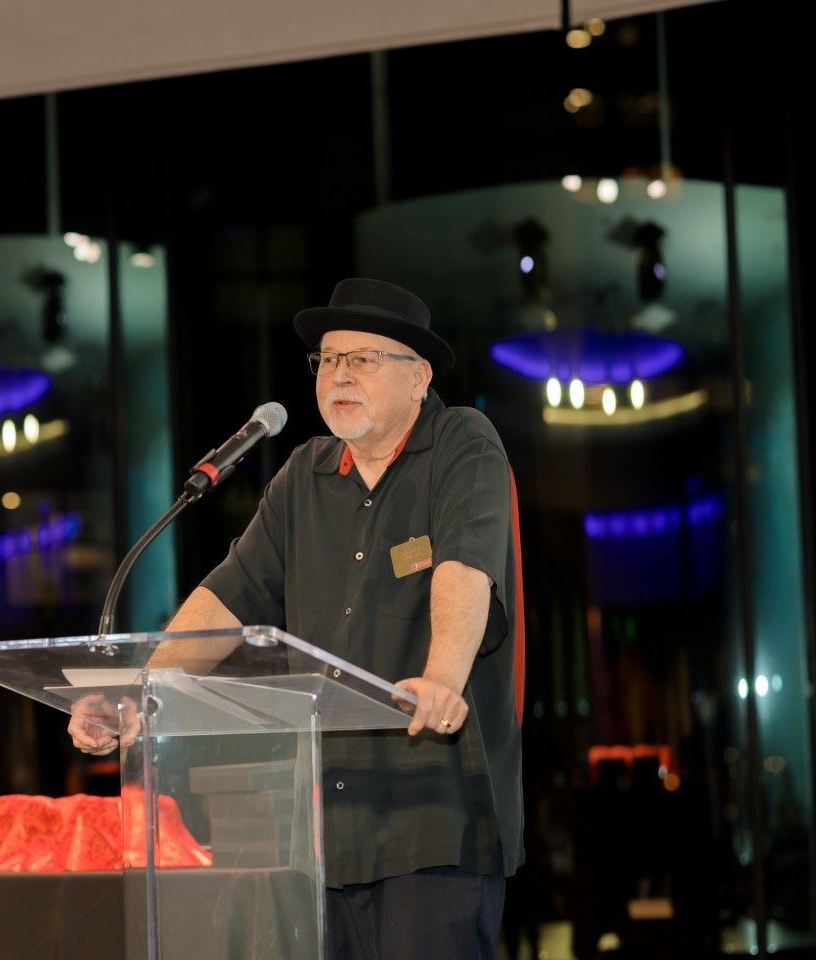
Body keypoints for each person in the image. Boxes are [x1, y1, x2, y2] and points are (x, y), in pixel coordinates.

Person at [70, 278, 523, 959]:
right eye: (327, 360)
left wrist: (440, 678)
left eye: (362, 359)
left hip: (433, 824)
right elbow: (225, 602)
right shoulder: (304, 475)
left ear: (419, 376)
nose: (339, 373)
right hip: (319, 833)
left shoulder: (463, 443)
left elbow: (465, 571)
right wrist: (144, 695)